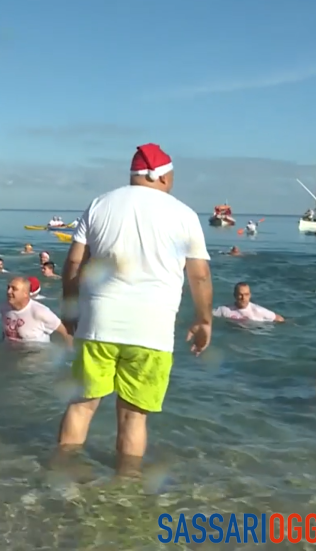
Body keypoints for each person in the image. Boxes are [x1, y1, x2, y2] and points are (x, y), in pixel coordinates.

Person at [58, 143, 212, 475]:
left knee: (82, 406)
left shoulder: (100, 204)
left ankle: (61, 474)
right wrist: (204, 320)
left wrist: (70, 310)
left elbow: (73, 263)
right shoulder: (184, 215)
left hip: (99, 320)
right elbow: (199, 275)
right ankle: (126, 488)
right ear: (164, 176)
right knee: (133, 415)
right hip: (153, 329)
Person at [2, 276, 71, 347]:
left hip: (37, 354)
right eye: (8, 287)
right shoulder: (4, 308)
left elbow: (63, 332)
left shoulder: (40, 312)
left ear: (25, 293)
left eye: (14, 289)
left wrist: (68, 350)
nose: (9, 291)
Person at [212, 282, 284, 323]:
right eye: (240, 295)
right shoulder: (224, 310)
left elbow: (279, 319)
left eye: (246, 294)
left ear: (250, 295)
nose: (243, 298)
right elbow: (207, 315)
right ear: (235, 295)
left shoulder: (258, 311)